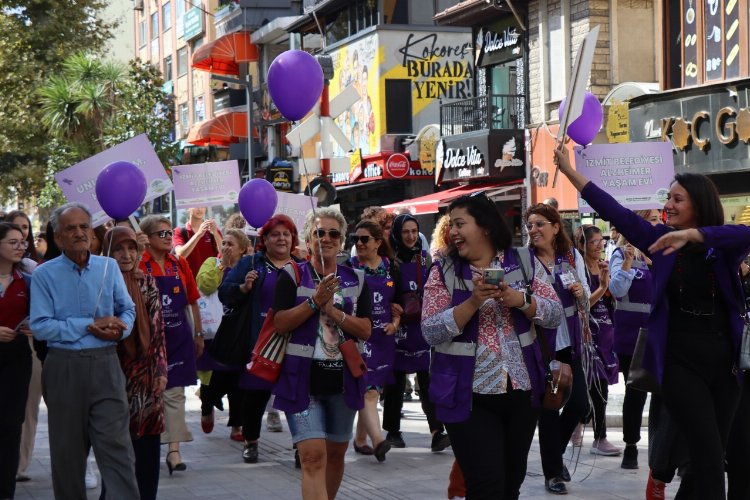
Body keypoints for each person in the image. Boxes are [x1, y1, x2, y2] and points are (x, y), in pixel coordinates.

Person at [555, 148, 750, 498]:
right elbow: (611, 208)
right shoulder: (657, 241)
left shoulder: (722, 246)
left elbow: (744, 234)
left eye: (678, 199)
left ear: (699, 204)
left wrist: (694, 236)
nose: (669, 205)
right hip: (679, 362)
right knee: (706, 453)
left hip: (726, 367)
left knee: (710, 458)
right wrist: (569, 171)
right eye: (668, 198)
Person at [422, 193, 563, 498]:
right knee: (486, 485)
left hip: (522, 393)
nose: (453, 232)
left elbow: (554, 314)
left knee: (511, 483)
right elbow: (430, 331)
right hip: (465, 396)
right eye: (451, 225)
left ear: (484, 226)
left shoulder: (524, 262)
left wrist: (521, 300)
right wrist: (473, 301)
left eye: (460, 223)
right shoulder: (443, 271)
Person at [30, 202, 139, 499]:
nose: (79, 233)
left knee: (118, 450)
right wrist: (88, 325)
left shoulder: (109, 267)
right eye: (70, 228)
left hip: (106, 365)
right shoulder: (44, 275)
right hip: (64, 368)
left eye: (83, 227)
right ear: (58, 238)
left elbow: (127, 310)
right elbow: (40, 326)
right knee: (67, 455)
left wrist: (120, 328)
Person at [272, 207, 372, 499]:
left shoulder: (357, 279)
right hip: (301, 380)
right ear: (307, 238)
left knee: (336, 455)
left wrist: (333, 312)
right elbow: (279, 323)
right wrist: (315, 303)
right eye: (319, 233)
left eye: (333, 234)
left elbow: (366, 330)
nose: (325, 239)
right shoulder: (291, 274)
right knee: (313, 457)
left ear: (341, 241)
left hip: (344, 382)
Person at [220, 214, 303, 463]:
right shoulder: (251, 263)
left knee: (295, 396)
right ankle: (251, 441)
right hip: (258, 341)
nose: (281, 239)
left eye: (286, 234)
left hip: (293, 340)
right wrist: (243, 288)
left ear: (292, 239)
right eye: (275, 234)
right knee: (254, 396)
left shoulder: (301, 266)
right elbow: (225, 292)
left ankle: (302, 446)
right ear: (264, 239)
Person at [524, 203, 591, 495]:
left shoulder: (571, 255)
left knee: (579, 404)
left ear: (554, 227)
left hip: (570, 343)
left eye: (540, 224)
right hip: (542, 346)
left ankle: (556, 454)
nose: (534, 230)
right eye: (530, 225)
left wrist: (580, 292)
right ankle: (553, 473)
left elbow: (587, 298)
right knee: (549, 410)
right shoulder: (525, 261)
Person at [100, 226, 167, 500]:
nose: (126, 255)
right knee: (116, 447)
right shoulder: (100, 284)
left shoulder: (147, 281)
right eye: (118, 249)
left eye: (131, 248)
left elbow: (158, 330)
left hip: (148, 376)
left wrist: (162, 370)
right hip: (113, 375)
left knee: (148, 447)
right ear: (107, 252)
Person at [139, 215, 204, 475]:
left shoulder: (179, 265)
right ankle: (150, 443)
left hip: (178, 337)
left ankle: (174, 450)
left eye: (169, 233)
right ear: (147, 239)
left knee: (175, 393)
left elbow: (193, 300)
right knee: (152, 394)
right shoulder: (138, 265)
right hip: (147, 340)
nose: (168, 238)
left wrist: (198, 333)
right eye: (161, 234)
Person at [383, 213, 449, 451]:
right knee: (396, 381)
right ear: (397, 234)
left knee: (427, 379)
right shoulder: (390, 260)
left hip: (421, 324)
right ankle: (392, 430)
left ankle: (436, 431)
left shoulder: (425, 258)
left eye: (414, 231)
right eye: (405, 232)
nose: (410, 236)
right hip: (399, 325)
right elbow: (386, 290)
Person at [608, 210, 660, 470]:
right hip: (632, 337)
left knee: (663, 393)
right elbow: (616, 290)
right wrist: (628, 263)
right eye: (651, 220)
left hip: (661, 334)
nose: (657, 224)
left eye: (657, 219)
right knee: (636, 392)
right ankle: (631, 445)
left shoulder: (664, 255)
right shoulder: (620, 255)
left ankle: (661, 450)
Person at [348, 219, 401, 462]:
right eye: (355, 239)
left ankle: (360, 440)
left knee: (373, 392)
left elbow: (399, 304)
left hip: (384, 339)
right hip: (359, 337)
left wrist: (395, 323)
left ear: (378, 242)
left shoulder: (392, 268)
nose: (359, 243)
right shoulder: (348, 269)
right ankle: (379, 440)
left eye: (364, 239)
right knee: (367, 390)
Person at [196, 229, 250, 443]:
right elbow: (204, 284)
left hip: (238, 333)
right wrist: (221, 265)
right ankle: (206, 408)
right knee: (212, 381)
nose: (226, 247)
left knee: (238, 381)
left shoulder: (248, 267)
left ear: (243, 249)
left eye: (231, 244)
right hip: (214, 335)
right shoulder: (212, 262)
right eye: (224, 243)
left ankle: (237, 424)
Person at [574, 225, 620, 456]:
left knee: (598, 387)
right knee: (596, 386)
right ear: (582, 245)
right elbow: (583, 306)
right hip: (587, 334)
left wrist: (609, 285)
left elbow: (612, 297)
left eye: (601, 241)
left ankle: (579, 422)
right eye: (593, 242)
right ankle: (599, 438)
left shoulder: (604, 265)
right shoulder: (577, 269)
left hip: (606, 333)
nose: (600, 245)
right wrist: (602, 288)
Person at [0, 222, 33, 500]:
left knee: (11, 426)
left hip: (17, 360)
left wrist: (36, 325)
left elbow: (41, 314)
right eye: (13, 242)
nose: (20, 247)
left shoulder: (29, 279)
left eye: (22, 242)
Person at [173, 207, 223, 278]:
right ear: (188, 208)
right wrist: (198, 234)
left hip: (209, 282)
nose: (199, 209)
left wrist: (215, 233)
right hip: (188, 282)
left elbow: (223, 253)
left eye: (202, 205)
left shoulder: (213, 230)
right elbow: (181, 255)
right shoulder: (179, 231)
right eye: (195, 206)